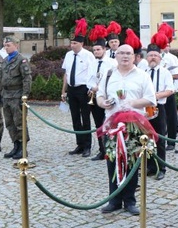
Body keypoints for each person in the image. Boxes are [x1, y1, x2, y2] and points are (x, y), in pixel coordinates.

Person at [96, 43, 157, 215]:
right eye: (121, 53)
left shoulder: (142, 75)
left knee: (131, 162)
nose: (125, 56)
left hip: (134, 125)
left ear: (135, 56)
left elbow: (150, 99)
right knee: (112, 161)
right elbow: (100, 95)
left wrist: (131, 103)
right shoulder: (109, 74)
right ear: (115, 55)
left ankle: (130, 201)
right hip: (112, 124)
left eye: (128, 53)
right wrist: (103, 103)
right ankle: (114, 199)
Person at [61, 19, 95, 157]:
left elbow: (92, 74)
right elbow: (66, 73)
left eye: (75, 43)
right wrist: (63, 90)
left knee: (85, 118)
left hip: (83, 89)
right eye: (71, 42)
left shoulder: (88, 56)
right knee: (75, 117)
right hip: (72, 88)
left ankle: (87, 146)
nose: (72, 45)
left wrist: (91, 89)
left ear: (82, 43)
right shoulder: (68, 55)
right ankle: (79, 144)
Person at [145, 33, 175, 181]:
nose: (152, 58)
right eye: (150, 55)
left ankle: (161, 167)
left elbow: (170, 90)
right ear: (146, 57)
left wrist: (156, 96)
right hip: (144, 109)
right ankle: (150, 166)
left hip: (159, 107)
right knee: (146, 138)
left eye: (155, 56)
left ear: (160, 57)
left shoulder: (165, 72)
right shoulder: (142, 72)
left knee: (159, 138)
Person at [87, 25, 117, 161]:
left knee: (110, 123)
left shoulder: (112, 63)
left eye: (98, 49)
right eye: (94, 50)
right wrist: (92, 87)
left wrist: (101, 87)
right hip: (95, 96)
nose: (96, 52)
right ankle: (101, 150)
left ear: (104, 49)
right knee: (98, 124)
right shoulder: (92, 63)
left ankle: (111, 149)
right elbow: (88, 79)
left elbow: (115, 79)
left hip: (108, 96)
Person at [1, 36, 32, 160]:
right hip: (6, 96)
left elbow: (27, 79)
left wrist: (25, 95)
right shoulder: (5, 60)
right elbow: (1, 78)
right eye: (5, 45)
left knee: (20, 123)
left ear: (16, 45)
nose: (6, 47)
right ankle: (16, 145)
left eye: (8, 45)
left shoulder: (21, 60)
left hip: (17, 95)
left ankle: (23, 148)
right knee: (9, 123)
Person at [157, 23, 178, 150]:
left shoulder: (172, 58)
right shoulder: (154, 56)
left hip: (168, 91)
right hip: (156, 93)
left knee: (171, 117)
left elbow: (177, 75)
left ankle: (171, 141)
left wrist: (172, 87)